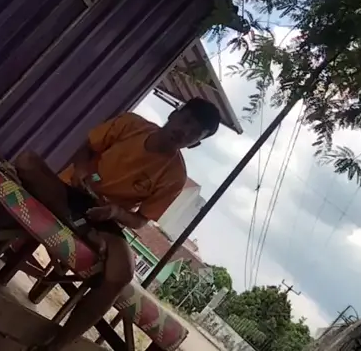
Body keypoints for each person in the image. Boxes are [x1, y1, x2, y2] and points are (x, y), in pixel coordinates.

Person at [14, 97, 222, 351]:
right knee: (27, 161)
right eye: (186, 121)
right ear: (174, 114)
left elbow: (140, 220)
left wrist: (115, 211)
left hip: (104, 217)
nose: (184, 131)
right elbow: (87, 147)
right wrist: (81, 170)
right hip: (69, 192)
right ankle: (80, 227)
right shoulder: (130, 124)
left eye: (194, 133)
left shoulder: (175, 177)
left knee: (122, 273)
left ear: (196, 143)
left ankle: (57, 345)